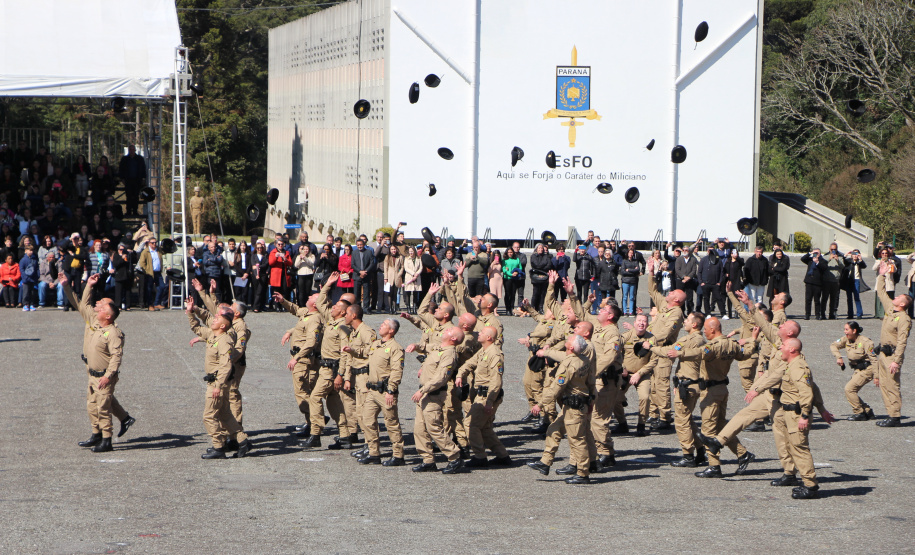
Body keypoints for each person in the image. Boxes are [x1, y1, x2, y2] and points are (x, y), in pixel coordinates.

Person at [671, 317, 758, 479]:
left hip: (710, 391)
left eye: (705, 329)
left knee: (708, 430)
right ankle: (743, 454)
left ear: (713, 329)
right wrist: (752, 340)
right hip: (722, 389)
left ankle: (714, 466)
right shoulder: (731, 344)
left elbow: (698, 353)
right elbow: (745, 354)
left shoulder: (712, 346)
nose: (704, 332)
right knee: (720, 426)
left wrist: (679, 353)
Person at [61, 272, 135, 453]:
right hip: (92, 369)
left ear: (109, 315)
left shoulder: (113, 332)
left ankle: (106, 439)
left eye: (102, 306)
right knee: (92, 404)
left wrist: (109, 376)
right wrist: (79, 286)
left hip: (103, 374)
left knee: (103, 406)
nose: (98, 306)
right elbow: (81, 303)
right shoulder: (94, 320)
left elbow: (116, 356)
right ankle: (98, 432)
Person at [185, 297, 250, 459]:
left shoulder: (224, 340)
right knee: (225, 414)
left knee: (209, 416)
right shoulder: (213, 334)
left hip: (218, 383)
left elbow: (226, 365)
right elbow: (197, 328)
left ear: (223, 325)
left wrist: (218, 386)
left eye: (216, 318)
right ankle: (243, 441)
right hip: (215, 382)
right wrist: (190, 312)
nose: (213, 319)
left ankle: (218, 447)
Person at [527, 335, 595, 484]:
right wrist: (591, 400)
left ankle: (583, 473)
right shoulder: (584, 360)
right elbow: (591, 382)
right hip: (575, 406)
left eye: (570, 340)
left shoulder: (568, 364)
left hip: (574, 408)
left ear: (570, 347)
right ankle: (545, 462)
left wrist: (540, 405)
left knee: (577, 440)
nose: (567, 339)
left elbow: (556, 388)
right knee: (554, 429)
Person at [301, 272, 353, 449]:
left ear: (344, 311)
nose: (333, 307)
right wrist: (328, 285)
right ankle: (345, 436)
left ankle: (315, 433)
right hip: (326, 367)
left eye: (337, 306)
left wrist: (340, 375)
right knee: (333, 402)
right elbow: (321, 303)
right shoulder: (331, 320)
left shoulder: (344, 327)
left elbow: (346, 353)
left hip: (332, 369)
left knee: (315, 398)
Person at [411, 326, 466, 475]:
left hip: (433, 394)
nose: (445, 330)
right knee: (420, 429)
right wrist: (417, 346)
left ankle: (455, 456)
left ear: (453, 338)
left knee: (434, 427)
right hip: (424, 394)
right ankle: (428, 460)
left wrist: (422, 390)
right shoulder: (440, 348)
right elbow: (428, 347)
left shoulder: (449, 354)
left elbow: (441, 378)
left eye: (449, 331)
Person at [455, 326, 511, 467]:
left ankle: (480, 456)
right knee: (484, 428)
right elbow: (470, 363)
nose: (479, 334)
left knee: (470, 424)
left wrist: (489, 402)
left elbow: (496, 381)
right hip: (480, 394)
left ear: (489, 338)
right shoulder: (484, 350)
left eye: (482, 333)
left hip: (487, 396)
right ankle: (502, 455)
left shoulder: (495, 354)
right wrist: (460, 373)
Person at [357, 318, 406, 466]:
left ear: (391, 330)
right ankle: (374, 453)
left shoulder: (395, 348)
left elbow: (397, 371)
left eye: (384, 324)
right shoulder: (376, 344)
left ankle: (398, 455)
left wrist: (391, 390)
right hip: (372, 390)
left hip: (385, 392)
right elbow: (364, 352)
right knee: (367, 420)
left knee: (391, 423)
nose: (380, 325)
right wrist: (350, 349)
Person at [872, 268, 913, 427]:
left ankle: (895, 416)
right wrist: (882, 274)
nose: (894, 297)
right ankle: (890, 414)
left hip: (892, 357)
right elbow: (881, 292)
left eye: (898, 297)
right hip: (883, 353)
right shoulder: (890, 308)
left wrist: (897, 361)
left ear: (902, 304)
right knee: (883, 384)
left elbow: (902, 342)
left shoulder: (904, 319)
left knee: (892, 386)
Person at [830, 321, 878, 421]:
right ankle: (867, 411)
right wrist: (838, 357)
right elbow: (833, 345)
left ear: (854, 330)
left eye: (847, 329)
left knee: (849, 389)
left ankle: (859, 412)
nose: (845, 332)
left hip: (867, 369)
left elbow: (874, 360)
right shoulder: (846, 339)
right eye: (844, 329)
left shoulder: (865, 342)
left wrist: (877, 376)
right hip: (857, 369)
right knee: (851, 390)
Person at [118, 145, 146, 217]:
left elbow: (143, 169)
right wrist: (122, 179)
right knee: (129, 196)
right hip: (128, 180)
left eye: (133, 149)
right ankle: (128, 211)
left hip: (137, 180)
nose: (131, 151)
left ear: (135, 150)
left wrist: (143, 178)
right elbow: (121, 169)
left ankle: (135, 211)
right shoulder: (124, 159)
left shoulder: (140, 159)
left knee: (136, 196)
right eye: (130, 149)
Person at [139, 238, 167, 310]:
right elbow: (142, 263)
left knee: (162, 286)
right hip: (150, 273)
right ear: (149, 243)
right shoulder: (146, 252)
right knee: (149, 289)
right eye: (152, 243)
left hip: (158, 272)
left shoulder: (158, 251)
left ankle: (156, 303)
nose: (154, 244)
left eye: (155, 242)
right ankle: (150, 305)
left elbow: (165, 252)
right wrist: (147, 270)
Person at [800, 248, 827, 320]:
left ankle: (817, 315)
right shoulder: (810, 260)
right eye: (815, 253)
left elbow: (824, 268)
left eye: (817, 253)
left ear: (820, 254)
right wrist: (810, 253)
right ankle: (807, 314)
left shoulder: (823, 261)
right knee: (808, 299)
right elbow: (803, 259)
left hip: (817, 283)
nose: (816, 254)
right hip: (809, 281)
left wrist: (817, 262)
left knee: (817, 300)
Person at [351, 238, 376, 313]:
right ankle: (358, 308)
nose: (359, 246)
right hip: (357, 275)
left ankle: (366, 308)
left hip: (366, 275)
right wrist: (360, 272)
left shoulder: (368, 252)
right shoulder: (354, 253)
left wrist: (365, 272)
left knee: (366, 293)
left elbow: (372, 263)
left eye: (361, 245)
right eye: (358, 245)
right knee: (357, 293)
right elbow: (352, 264)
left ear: (364, 245)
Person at [841, 250, 868, 319]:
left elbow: (864, 266)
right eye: (853, 254)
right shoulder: (849, 261)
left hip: (856, 280)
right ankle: (850, 314)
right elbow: (844, 261)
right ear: (851, 255)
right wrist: (845, 255)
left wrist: (860, 259)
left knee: (856, 297)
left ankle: (859, 314)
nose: (855, 255)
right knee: (849, 298)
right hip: (849, 280)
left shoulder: (859, 262)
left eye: (857, 254)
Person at [698, 247, 724, 317]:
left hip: (715, 283)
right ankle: (708, 313)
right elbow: (699, 271)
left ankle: (723, 313)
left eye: (712, 250)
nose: (711, 251)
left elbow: (722, 272)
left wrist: (719, 282)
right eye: (709, 250)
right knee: (706, 298)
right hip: (706, 283)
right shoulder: (703, 260)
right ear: (707, 251)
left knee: (719, 298)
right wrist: (701, 282)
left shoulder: (718, 260)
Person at [267, 238, 292, 308]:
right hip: (276, 275)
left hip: (284, 274)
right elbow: (271, 263)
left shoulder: (286, 252)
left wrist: (285, 259)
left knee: (285, 290)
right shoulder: (273, 252)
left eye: (282, 244)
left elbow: (290, 263)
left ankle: (284, 306)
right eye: (279, 244)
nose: (280, 245)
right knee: (276, 291)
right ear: (276, 245)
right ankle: (277, 306)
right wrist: (276, 257)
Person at [821, 245, 844, 320]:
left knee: (834, 299)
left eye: (835, 249)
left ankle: (832, 314)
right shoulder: (825, 256)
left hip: (835, 281)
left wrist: (838, 260)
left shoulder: (840, 257)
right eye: (832, 249)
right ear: (829, 249)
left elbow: (843, 266)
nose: (833, 250)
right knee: (824, 298)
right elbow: (822, 265)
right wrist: (829, 259)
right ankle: (822, 314)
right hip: (826, 280)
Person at [109, 243, 133, 310]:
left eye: (123, 249)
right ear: (118, 249)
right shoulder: (116, 255)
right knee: (118, 292)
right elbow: (115, 264)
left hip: (127, 275)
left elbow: (130, 264)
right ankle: (118, 305)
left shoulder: (128, 255)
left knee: (127, 291)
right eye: (120, 249)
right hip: (119, 275)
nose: (122, 251)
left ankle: (128, 305)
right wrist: (122, 259)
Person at [675, 246, 698, 313]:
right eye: (683, 250)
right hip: (680, 280)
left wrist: (689, 277)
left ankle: (690, 311)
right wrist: (683, 277)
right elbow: (677, 270)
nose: (685, 251)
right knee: (680, 298)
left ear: (689, 251)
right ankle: (681, 312)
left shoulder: (693, 260)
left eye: (686, 250)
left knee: (690, 298)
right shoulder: (679, 259)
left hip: (689, 281)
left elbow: (694, 270)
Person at [529, 243, 551, 312]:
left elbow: (549, 265)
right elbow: (536, 265)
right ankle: (533, 308)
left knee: (543, 293)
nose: (541, 249)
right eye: (539, 248)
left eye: (542, 248)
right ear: (536, 249)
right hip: (536, 277)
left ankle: (540, 308)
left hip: (544, 276)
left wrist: (541, 267)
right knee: (535, 293)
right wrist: (543, 265)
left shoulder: (546, 256)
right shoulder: (533, 256)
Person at [722, 249, 744, 319]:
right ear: (731, 254)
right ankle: (730, 313)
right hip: (730, 281)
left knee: (737, 296)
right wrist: (726, 275)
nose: (734, 254)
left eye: (736, 253)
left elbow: (742, 263)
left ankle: (737, 312)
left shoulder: (739, 261)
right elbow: (724, 270)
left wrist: (737, 257)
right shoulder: (728, 262)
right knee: (730, 297)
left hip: (737, 281)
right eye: (733, 253)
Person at [382, 245, 404, 314]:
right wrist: (385, 278)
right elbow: (385, 268)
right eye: (392, 249)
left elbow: (402, 266)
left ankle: (394, 308)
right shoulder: (387, 257)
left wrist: (399, 274)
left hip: (397, 276)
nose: (393, 251)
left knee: (395, 293)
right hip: (390, 276)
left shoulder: (399, 257)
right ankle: (390, 308)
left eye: (394, 249)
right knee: (389, 293)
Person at [501, 248, 522, 315]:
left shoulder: (517, 259)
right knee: (508, 293)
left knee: (513, 294)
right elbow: (504, 269)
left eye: (511, 252)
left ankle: (512, 308)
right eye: (509, 252)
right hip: (507, 278)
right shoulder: (504, 260)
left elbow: (520, 267)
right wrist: (511, 274)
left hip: (515, 278)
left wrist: (517, 272)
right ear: (506, 253)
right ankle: (507, 308)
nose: (510, 253)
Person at [620, 249, 640, 316]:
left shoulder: (635, 261)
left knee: (632, 297)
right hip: (625, 281)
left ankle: (631, 311)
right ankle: (625, 311)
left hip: (633, 281)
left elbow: (637, 270)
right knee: (625, 297)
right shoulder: (624, 261)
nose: (631, 254)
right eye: (630, 253)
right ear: (627, 253)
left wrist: (629, 270)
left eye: (632, 253)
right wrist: (633, 271)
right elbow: (622, 271)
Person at [251, 241, 270, 312]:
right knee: (255, 291)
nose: (259, 249)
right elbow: (253, 266)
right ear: (256, 248)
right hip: (255, 275)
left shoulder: (265, 256)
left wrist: (259, 267)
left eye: (260, 248)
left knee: (260, 291)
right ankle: (256, 306)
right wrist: (256, 274)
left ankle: (256, 307)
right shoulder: (253, 256)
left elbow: (266, 264)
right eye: (258, 248)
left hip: (263, 275)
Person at [402, 246, 422, 313]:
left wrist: (417, 274)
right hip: (409, 277)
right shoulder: (407, 259)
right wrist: (413, 273)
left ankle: (414, 308)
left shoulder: (418, 258)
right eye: (410, 251)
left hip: (417, 277)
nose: (411, 253)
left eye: (412, 251)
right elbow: (406, 268)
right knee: (408, 293)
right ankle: (408, 308)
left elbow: (421, 267)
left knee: (415, 293)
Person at [18, 245, 39, 310]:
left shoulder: (34, 259)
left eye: (32, 250)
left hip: (33, 279)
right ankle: (25, 304)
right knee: (26, 292)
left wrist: (37, 275)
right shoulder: (23, 260)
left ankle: (32, 304)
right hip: (26, 279)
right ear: (26, 251)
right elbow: (21, 269)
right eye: (29, 250)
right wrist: (25, 277)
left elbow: (37, 268)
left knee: (32, 293)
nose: (31, 252)